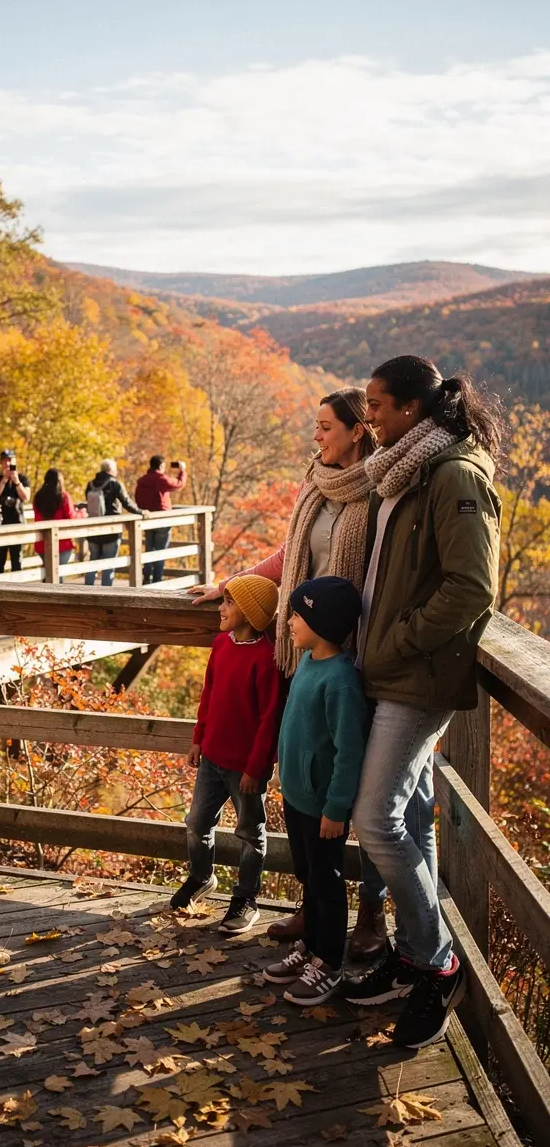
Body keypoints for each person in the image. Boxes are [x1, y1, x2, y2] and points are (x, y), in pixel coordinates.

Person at [190, 389, 389, 958]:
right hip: (305, 651)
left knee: (359, 787)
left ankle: (370, 912)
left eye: (326, 427)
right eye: (315, 427)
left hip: (357, 656)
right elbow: (285, 556)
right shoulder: (314, 487)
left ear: (356, 430)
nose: (317, 437)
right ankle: (314, 904)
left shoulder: (379, 491)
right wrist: (231, 583)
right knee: (305, 777)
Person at [342, 355, 502, 1051]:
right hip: (385, 669)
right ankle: (412, 955)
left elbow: (472, 587)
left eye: (376, 404)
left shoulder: (455, 476)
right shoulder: (401, 472)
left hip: (416, 675)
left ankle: (438, 964)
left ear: (411, 408)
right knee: (408, 814)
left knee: (374, 820)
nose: (367, 413)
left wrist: (397, 642)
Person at [262, 577, 368, 1005]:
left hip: (324, 807)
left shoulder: (341, 681)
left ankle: (329, 962)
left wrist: (337, 808)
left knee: (327, 880)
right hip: (297, 795)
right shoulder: (307, 662)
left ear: (322, 625)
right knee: (307, 873)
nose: (288, 622)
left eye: (297, 616)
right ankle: (309, 944)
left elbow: (349, 751)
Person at [171, 574, 281, 935]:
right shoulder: (221, 645)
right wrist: (198, 738)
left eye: (229, 602)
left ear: (250, 612)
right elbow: (209, 695)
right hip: (211, 759)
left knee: (250, 832)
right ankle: (202, 877)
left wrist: (256, 768)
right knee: (196, 822)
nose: (221, 607)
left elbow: (269, 720)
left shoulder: (267, 659)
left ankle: (246, 897)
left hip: (245, 769)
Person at [84, 458, 148, 587]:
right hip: (111, 530)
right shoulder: (115, 483)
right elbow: (127, 503)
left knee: (93, 561)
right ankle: (106, 593)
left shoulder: (90, 484)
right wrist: (141, 512)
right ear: (111, 470)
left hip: (93, 529)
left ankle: (86, 590)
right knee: (109, 563)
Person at [135, 455, 187, 584]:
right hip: (162, 520)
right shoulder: (160, 479)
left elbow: (138, 498)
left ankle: (147, 579)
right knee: (160, 551)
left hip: (147, 519)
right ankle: (157, 580)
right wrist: (182, 471)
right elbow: (178, 484)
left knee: (148, 549)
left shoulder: (142, 481)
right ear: (160, 466)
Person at [0, 449, 30, 574]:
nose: (7, 464)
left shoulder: (22, 478)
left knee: (17, 560)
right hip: (0, 525)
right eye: (4, 461)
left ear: (15, 461)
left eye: (9, 461)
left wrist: (16, 481)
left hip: (17, 524)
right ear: (1, 463)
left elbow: (26, 497)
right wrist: (4, 480)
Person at [33, 468, 77, 581]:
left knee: (49, 572)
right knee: (58, 574)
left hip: (42, 543)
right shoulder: (63, 497)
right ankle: (56, 596)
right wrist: (82, 513)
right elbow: (71, 518)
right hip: (62, 543)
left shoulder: (37, 498)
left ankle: (46, 595)